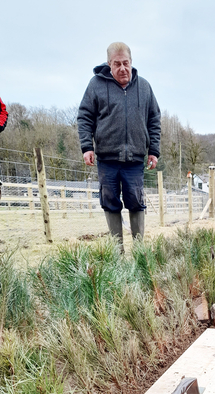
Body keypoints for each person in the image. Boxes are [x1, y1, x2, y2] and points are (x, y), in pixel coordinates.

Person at [77, 42, 161, 248]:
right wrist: (87, 146)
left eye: (126, 63)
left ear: (131, 62)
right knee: (110, 202)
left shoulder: (144, 87)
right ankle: (118, 252)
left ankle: (140, 252)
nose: (123, 68)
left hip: (134, 159)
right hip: (107, 159)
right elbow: (84, 117)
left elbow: (154, 119)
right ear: (109, 64)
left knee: (136, 202)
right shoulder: (96, 85)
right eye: (117, 64)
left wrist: (154, 151)